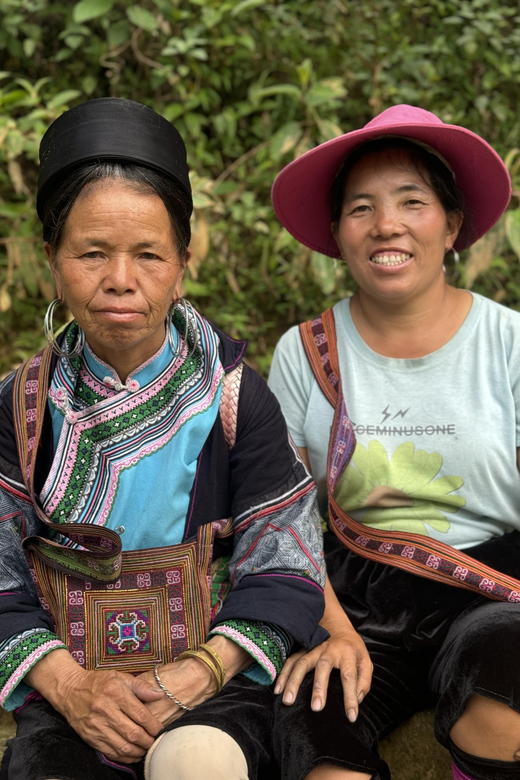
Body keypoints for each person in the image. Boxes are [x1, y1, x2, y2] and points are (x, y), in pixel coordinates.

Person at [0, 98, 327, 780]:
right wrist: (68, 686)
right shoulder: (19, 407)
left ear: (182, 263)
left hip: (211, 688)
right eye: (92, 252)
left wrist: (200, 673)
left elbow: (285, 562)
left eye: (148, 254)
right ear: (52, 261)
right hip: (69, 692)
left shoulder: (237, 396)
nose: (121, 279)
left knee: (197, 762)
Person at [268, 104, 520, 780]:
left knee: (505, 684)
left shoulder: (509, 343)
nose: (387, 225)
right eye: (361, 208)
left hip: (491, 592)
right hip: (356, 604)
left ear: (453, 225)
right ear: (337, 233)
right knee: (309, 722)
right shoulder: (304, 352)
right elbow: (280, 513)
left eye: (412, 201)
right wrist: (331, 628)